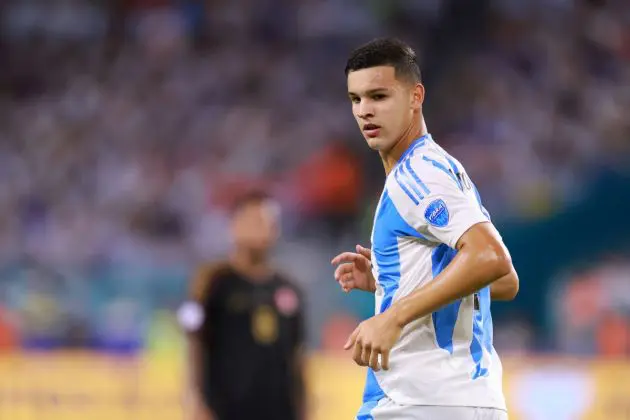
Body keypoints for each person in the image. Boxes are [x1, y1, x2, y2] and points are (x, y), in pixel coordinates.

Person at [331, 38, 519, 420]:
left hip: (418, 401)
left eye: (379, 96)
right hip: (469, 399)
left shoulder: (417, 174)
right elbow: (505, 281)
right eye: (356, 99)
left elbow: (491, 258)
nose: (365, 111)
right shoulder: (445, 169)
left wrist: (392, 315)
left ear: (415, 96)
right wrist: (392, 282)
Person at [177, 190, 306, 420]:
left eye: (268, 223)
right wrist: (196, 401)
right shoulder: (212, 282)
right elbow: (194, 342)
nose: (262, 229)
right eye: (254, 221)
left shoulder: (289, 290)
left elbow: (297, 356)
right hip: (225, 410)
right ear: (234, 226)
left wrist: (305, 410)